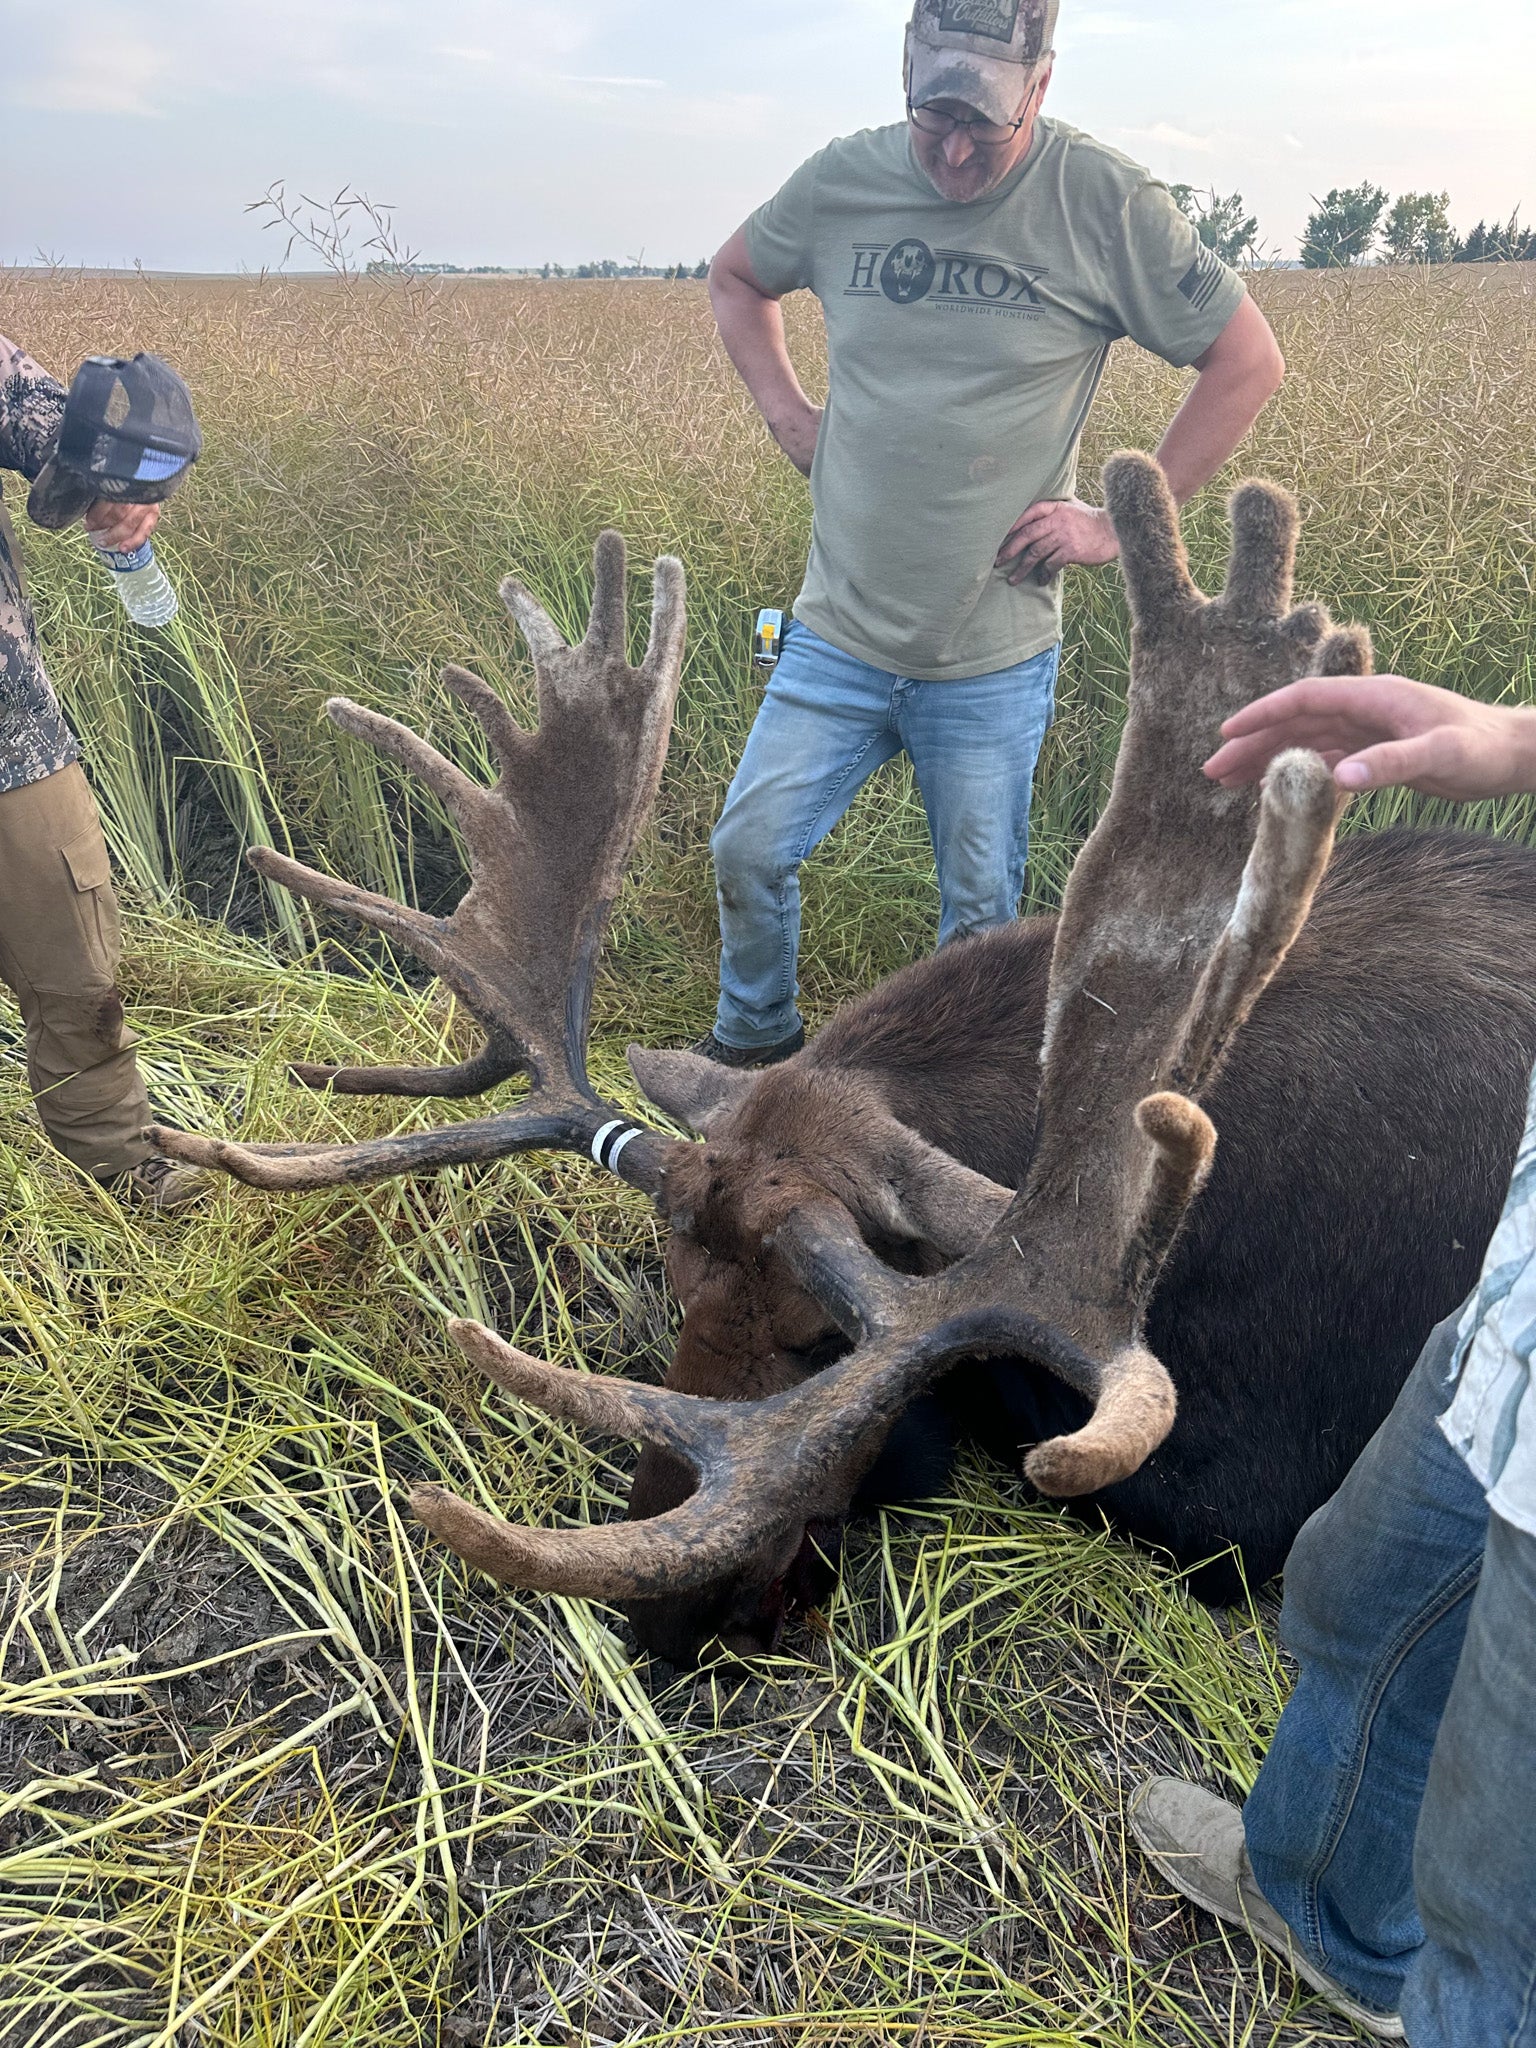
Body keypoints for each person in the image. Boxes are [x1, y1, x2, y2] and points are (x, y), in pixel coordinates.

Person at [696, 0, 1286, 1067]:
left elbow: (1246, 360)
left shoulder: (1104, 204)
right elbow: (736, 275)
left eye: (987, 124)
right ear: (904, 76)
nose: (956, 150)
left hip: (989, 654)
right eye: (935, 119)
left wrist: (1118, 522)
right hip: (835, 631)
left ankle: (942, 1110)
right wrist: (791, 415)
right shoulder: (844, 181)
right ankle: (751, 1051)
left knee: (978, 923)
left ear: (1043, 87)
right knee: (746, 846)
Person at [1130, 671, 1536, 2044]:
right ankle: (1330, 1921)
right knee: (1361, 1590)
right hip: (1514, 1313)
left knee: (1502, 1907)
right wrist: (1519, 744)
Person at [0, 335, 205, 1208]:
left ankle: (127, 1170)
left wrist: (117, 489)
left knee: (77, 975)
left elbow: (56, 428)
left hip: (11, 737)